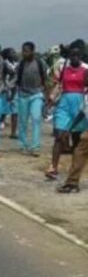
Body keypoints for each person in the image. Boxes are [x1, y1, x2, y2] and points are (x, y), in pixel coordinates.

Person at [46, 40, 88, 180]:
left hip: (79, 104)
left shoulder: (85, 70)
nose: (74, 58)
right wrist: (51, 101)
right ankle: (53, 167)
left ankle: (74, 170)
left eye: (77, 55)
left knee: (76, 139)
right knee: (59, 135)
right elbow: (58, 85)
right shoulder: (63, 68)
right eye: (72, 55)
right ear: (69, 56)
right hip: (64, 103)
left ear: (81, 56)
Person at [16, 42, 49, 157]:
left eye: (26, 51)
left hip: (36, 94)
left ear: (32, 51)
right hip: (23, 95)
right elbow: (16, 79)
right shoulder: (20, 64)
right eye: (23, 51)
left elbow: (45, 79)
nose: (24, 53)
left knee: (36, 119)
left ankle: (35, 146)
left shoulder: (40, 63)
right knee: (23, 121)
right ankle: (23, 144)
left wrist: (47, 96)